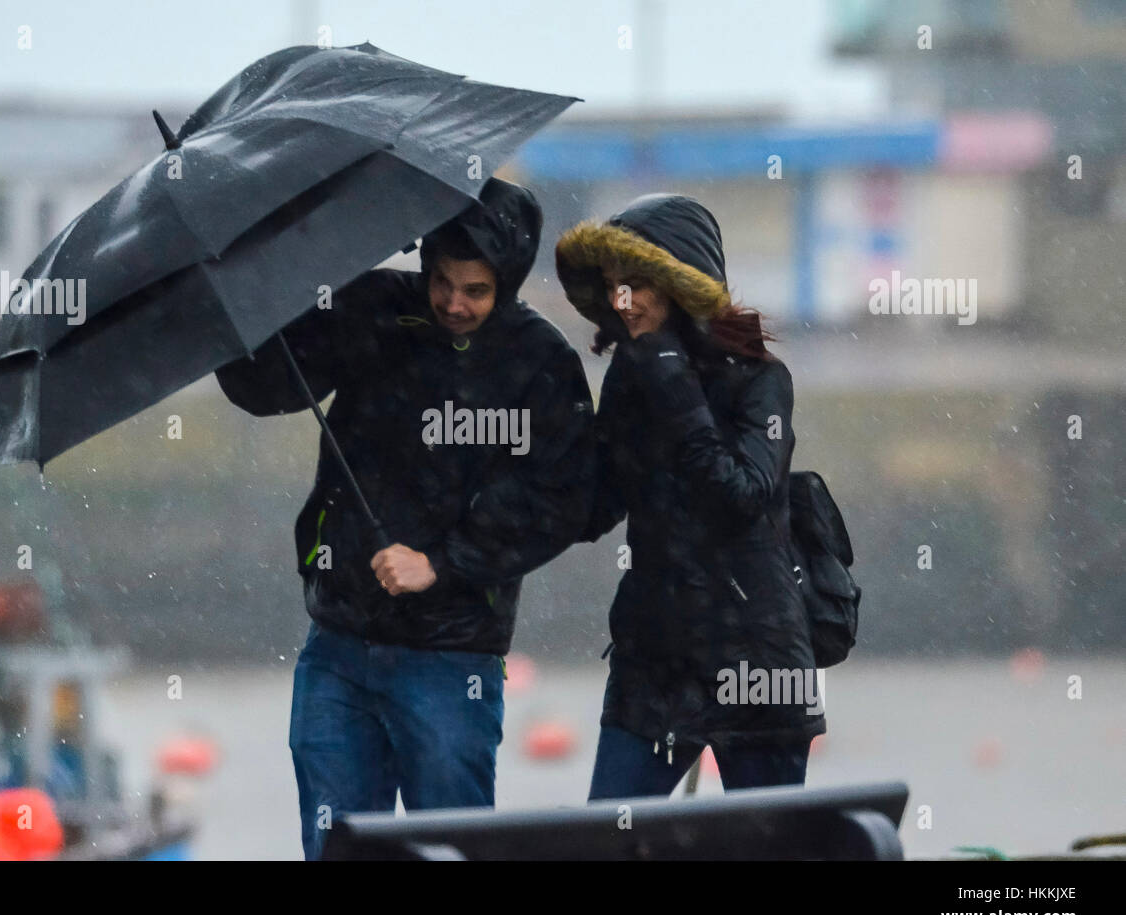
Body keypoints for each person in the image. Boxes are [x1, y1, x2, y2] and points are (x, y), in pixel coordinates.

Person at [216, 178, 595, 859]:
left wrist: (443, 562)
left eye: (475, 290)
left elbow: (562, 498)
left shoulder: (541, 362)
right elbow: (268, 385)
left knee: (451, 849)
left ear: (505, 284)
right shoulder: (374, 307)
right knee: (334, 849)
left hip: (452, 659)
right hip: (337, 641)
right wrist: (238, 306)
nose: (454, 302)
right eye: (442, 281)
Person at [555, 193, 826, 801]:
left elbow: (738, 495)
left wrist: (675, 383)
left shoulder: (762, 381)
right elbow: (596, 506)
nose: (623, 300)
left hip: (758, 658)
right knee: (612, 840)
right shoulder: (632, 372)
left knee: (773, 851)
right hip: (654, 660)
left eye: (638, 284)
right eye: (614, 285)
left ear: (683, 287)